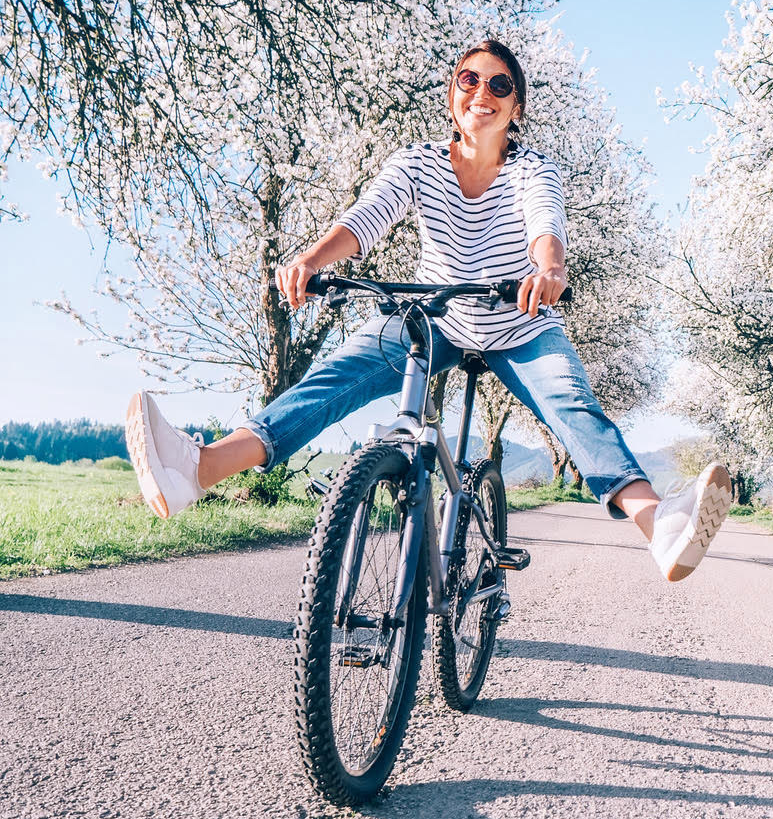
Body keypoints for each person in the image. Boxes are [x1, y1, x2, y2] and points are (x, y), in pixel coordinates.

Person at [124, 39, 731, 582]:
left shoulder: (531, 171)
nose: (482, 93)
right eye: (469, 80)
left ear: (515, 107)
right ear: (452, 97)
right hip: (435, 318)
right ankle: (199, 470)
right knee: (333, 379)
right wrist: (311, 259)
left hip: (519, 323)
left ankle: (661, 527)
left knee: (573, 406)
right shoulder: (416, 164)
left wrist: (548, 270)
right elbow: (366, 218)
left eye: (499, 85)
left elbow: (545, 226)